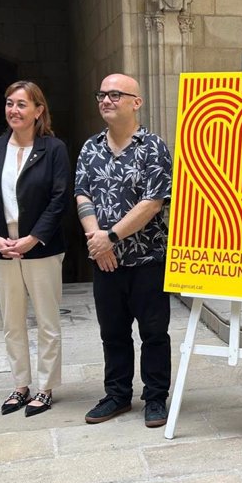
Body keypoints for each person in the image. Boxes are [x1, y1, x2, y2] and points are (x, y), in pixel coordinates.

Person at [75, 73, 172, 428]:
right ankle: (116, 394)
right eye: (102, 94)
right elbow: (82, 193)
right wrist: (96, 240)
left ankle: (155, 397)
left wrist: (109, 238)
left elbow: (152, 202)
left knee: (154, 332)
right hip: (105, 260)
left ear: (137, 102)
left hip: (147, 259)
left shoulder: (153, 147)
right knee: (112, 332)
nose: (106, 100)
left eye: (116, 94)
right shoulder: (91, 147)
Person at [0, 80, 70, 417]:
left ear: (38, 111)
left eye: (21, 104)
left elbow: (59, 199)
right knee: (12, 321)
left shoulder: (54, 148)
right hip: (2, 250)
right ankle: (20, 385)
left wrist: (33, 238)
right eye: (9, 103)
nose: (13, 110)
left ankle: (44, 388)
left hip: (40, 248)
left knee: (47, 321)